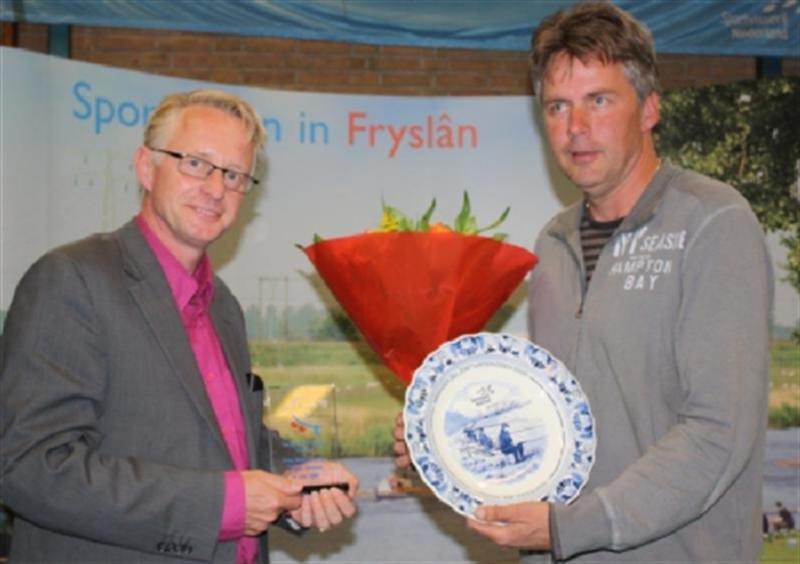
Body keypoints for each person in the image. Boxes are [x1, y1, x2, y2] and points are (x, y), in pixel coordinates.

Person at [394, 2, 772, 562]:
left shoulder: (713, 222)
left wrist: (570, 527)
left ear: (649, 109)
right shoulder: (552, 243)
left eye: (599, 100)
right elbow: (548, 425)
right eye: (557, 106)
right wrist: (445, 443)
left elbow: (717, 435)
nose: (576, 128)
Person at [0, 89, 359, 563]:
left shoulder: (223, 306)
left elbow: (224, 446)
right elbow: (30, 466)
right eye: (195, 164)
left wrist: (298, 481)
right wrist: (224, 506)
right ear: (146, 167)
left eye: (234, 175)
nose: (215, 189)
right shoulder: (73, 279)